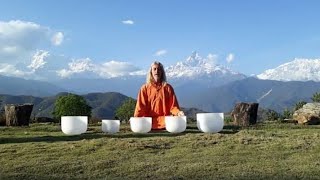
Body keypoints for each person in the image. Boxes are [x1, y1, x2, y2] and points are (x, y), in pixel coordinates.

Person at [134, 61, 184, 130]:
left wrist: (178, 113)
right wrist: (136, 119)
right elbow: (140, 107)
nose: (157, 71)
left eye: (159, 69)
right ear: (151, 72)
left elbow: (173, 106)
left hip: (166, 122)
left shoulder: (168, 88)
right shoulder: (144, 88)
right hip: (149, 123)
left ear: (162, 72)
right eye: (154, 69)